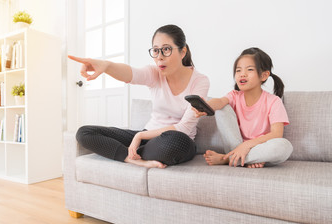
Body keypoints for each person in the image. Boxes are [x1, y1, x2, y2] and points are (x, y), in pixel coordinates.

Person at [68, 24, 210, 169]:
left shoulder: (200, 81)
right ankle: (132, 158)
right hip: (148, 137)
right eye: (155, 50)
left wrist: (139, 137)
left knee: (178, 142)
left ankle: (129, 152)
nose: (159, 57)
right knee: (84, 132)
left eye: (166, 49)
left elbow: (184, 128)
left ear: (183, 51)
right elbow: (131, 74)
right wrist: (106, 66)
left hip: (175, 140)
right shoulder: (155, 73)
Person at [194, 47, 293, 168]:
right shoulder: (234, 96)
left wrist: (247, 146)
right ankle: (242, 157)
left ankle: (228, 159)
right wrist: (207, 105)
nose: (242, 74)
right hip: (235, 146)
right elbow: (219, 102)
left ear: (264, 75)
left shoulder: (274, 101)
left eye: (249, 69)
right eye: (238, 70)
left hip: (260, 149)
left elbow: (276, 134)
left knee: (284, 146)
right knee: (221, 105)